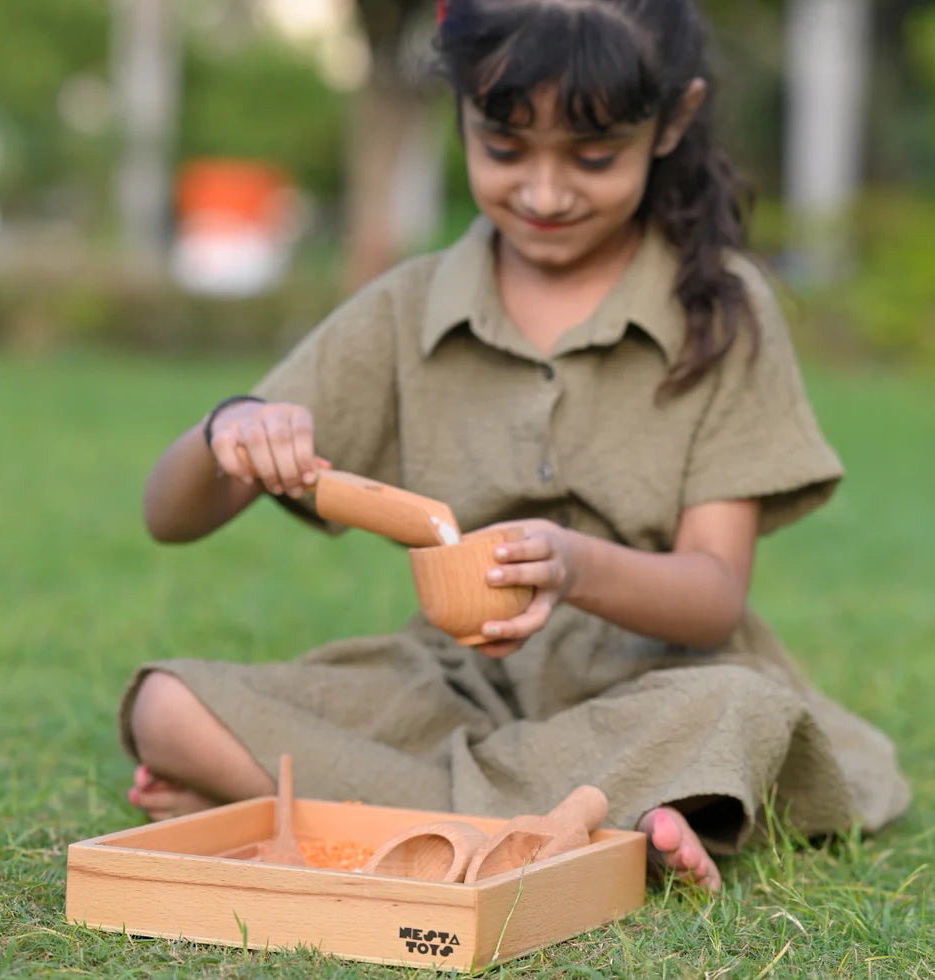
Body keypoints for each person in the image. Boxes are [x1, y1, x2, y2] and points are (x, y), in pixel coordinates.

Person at [121, 0, 910, 892]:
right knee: (168, 706)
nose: (543, 192)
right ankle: (584, 833)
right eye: (504, 149)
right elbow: (171, 517)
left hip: (650, 692)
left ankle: (355, 816)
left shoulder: (720, 311)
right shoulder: (405, 306)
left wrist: (574, 566)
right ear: (460, 111)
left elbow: (712, 598)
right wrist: (228, 430)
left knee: (742, 712)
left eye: (594, 157)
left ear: (673, 122)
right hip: (454, 689)